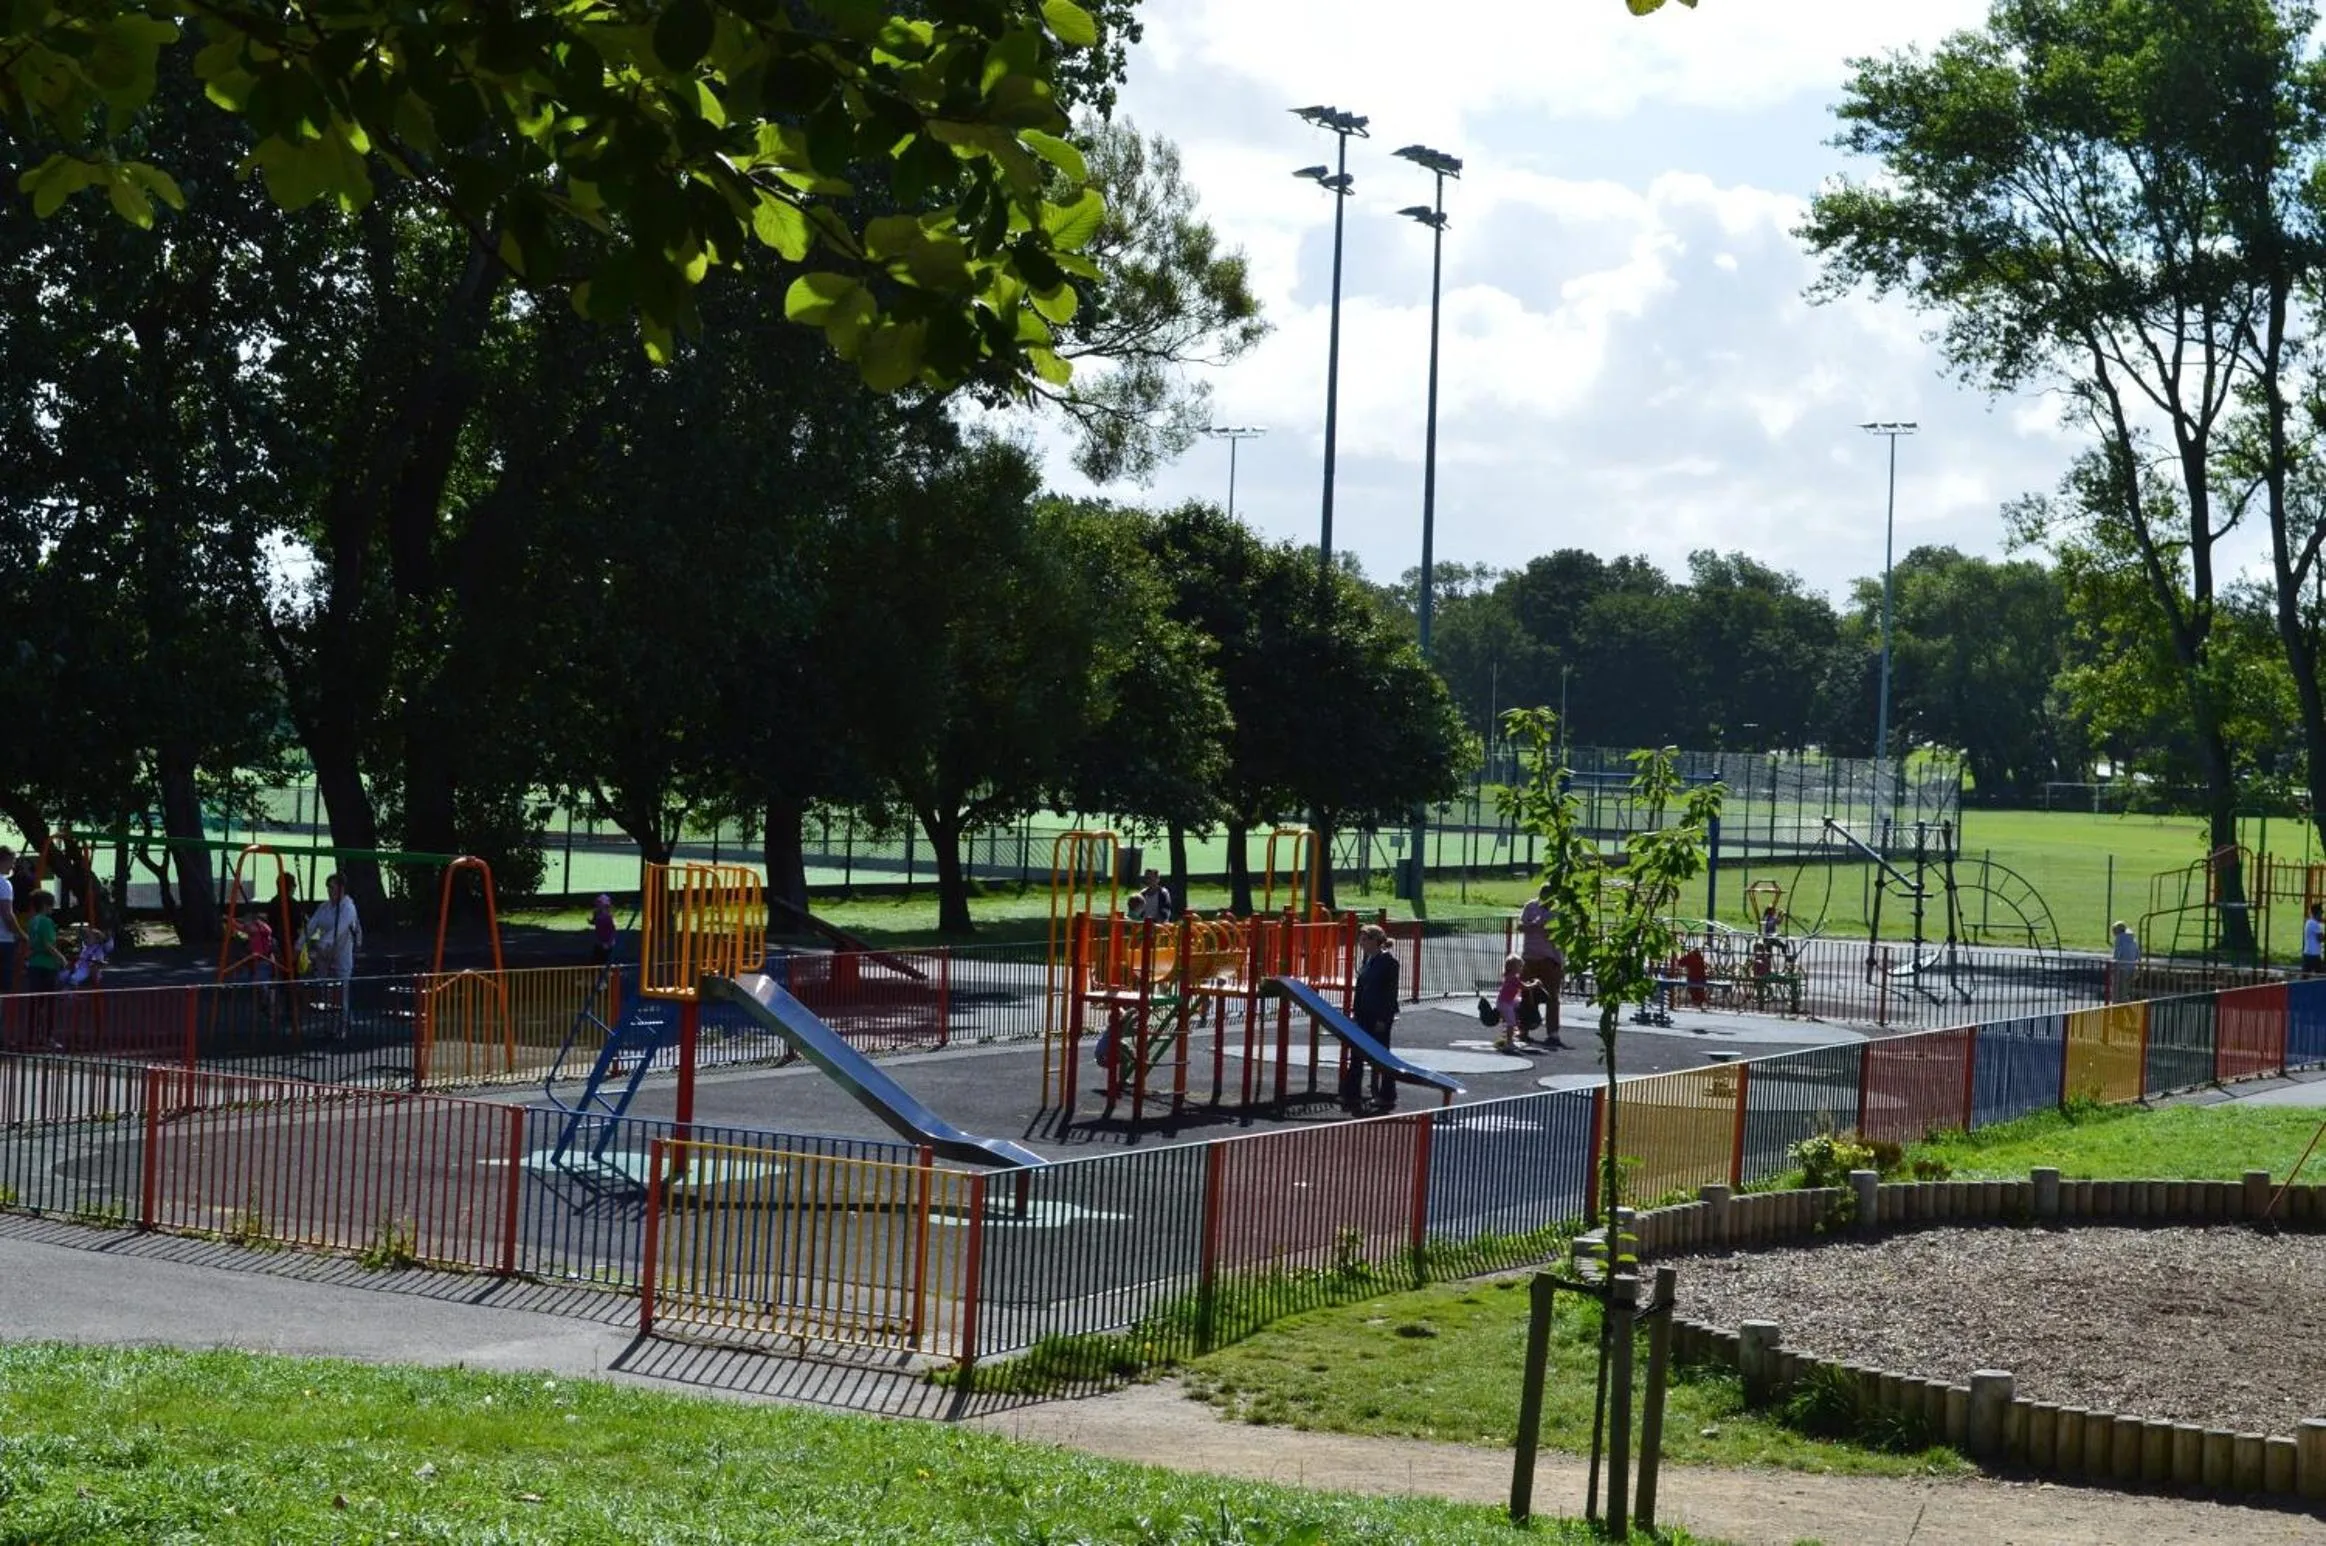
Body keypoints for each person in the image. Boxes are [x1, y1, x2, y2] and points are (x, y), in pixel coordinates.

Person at [1346, 922, 1401, 1112]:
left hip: (1378, 1016)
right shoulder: (1367, 961)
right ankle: (1352, 1094)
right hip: (1364, 1014)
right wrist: (1355, 1012)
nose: (1360, 944)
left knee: (1381, 1056)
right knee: (1357, 1055)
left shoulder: (1389, 962)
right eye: (1360, 939)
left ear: (1375, 941)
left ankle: (1387, 1095)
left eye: (1363, 940)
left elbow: (1389, 994)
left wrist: (1383, 1019)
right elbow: (1360, 990)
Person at [302, 872, 363, 1012]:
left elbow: (338, 929)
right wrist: (300, 945)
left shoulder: (348, 908)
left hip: (342, 953)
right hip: (324, 955)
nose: (330, 891)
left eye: (332, 888)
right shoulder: (324, 907)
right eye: (328, 888)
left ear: (341, 889)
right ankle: (328, 1022)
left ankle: (343, 1023)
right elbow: (311, 926)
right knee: (325, 990)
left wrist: (321, 945)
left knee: (341, 991)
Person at [1516, 882, 1566, 1046]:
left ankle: (1553, 1033)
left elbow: (1560, 934)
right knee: (1526, 995)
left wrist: (1549, 930)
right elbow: (1520, 926)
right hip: (1530, 958)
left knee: (1552, 996)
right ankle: (1524, 1029)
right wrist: (1532, 926)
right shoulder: (1530, 907)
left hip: (1550, 959)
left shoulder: (1558, 912)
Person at [1493, 953, 1527, 1054]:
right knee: (1511, 1023)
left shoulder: (1508, 976)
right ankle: (1509, 1042)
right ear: (1514, 967)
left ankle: (1510, 1038)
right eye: (1519, 966)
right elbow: (1525, 987)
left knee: (1518, 1003)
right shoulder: (1514, 978)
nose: (1521, 968)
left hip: (1504, 1001)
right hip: (1505, 1004)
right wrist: (1536, 983)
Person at [2109, 919, 2141, 1002]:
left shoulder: (2119, 940)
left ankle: (2116, 1006)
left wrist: (2112, 966)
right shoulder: (2133, 940)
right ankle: (2125, 1003)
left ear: (2117, 931)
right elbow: (2138, 954)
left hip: (2121, 968)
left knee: (2116, 989)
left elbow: (2117, 955)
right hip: (2131, 968)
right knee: (2125, 989)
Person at [0, 844, 17, 994]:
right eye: (12, 861)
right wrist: (21, 934)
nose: (13, 865)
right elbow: (7, 915)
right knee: (4, 988)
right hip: (3, 940)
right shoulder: (4, 884)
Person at [590, 894, 617, 967]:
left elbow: (613, 929)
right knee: (597, 959)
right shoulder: (596, 913)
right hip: (599, 939)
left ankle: (607, 973)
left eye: (599, 903)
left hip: (607, 940)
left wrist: (609, 942)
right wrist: (591, 921)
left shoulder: (609, 916)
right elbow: (594, 921)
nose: (597, 905)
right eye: (597, 903)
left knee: (606, 959)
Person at [2305, 903, 2324, 977]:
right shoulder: (2314, 924)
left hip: (2308, 953)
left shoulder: (2309, 922)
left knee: (2305, 976)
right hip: (2314, 955)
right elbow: (2320, 938)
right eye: (2321, 913)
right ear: (2317, 913)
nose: (2321, 915)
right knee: (2321, 976)